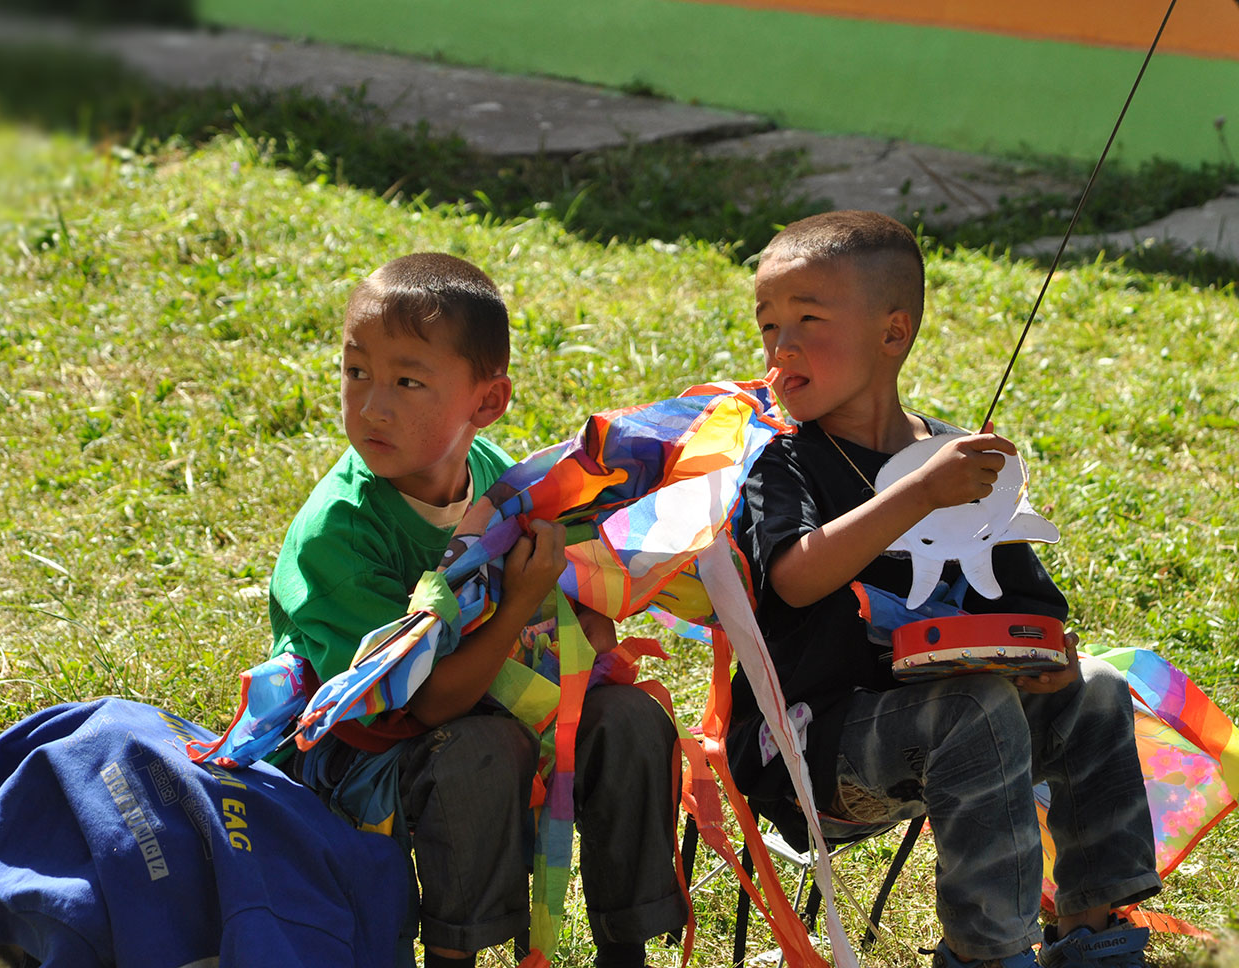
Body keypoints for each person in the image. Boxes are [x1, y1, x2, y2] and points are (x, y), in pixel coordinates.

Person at [727, 211, 1161, 968]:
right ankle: (988, 956)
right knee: (974, 707)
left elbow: (1027, 604)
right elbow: (794, 579)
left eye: (808, 320)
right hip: (815, 747)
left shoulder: (955, 461)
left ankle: (1093, 935)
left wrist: (1049, 653)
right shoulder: (782, 461)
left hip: (967, 733)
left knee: (1094, 689)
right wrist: (921, 493)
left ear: (892, 333)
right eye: (769, 326)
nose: (781, 346)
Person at [268, 253, 686, 968]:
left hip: (494, 699)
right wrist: (519, 602)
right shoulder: (338, 532)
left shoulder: (496, 478)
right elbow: (425, 704)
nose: (371, 405)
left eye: (407, 381)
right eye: (355, 371)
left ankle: (627, 950)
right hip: (360, 749)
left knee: (630, 720)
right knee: (479, 752)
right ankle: (453, 956)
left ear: (486, 404)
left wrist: (581, 617)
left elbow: (570, 607)